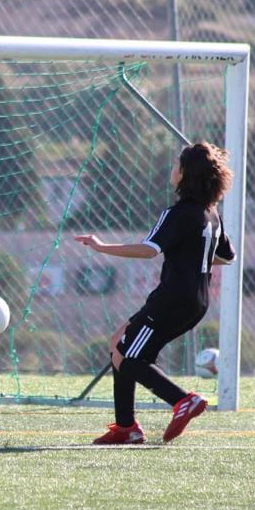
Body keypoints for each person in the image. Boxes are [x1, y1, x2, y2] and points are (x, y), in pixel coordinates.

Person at [74, 141, 235, 444]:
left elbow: (149, 250)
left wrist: (102, 247)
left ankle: (182, 400)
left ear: (184, 173)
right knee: (119, 343)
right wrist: (192, 255)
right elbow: (227, 256)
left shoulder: (178, 213)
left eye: (176, 165)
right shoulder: (211, 215)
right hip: (196, 301)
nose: (172, 169)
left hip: (172, 299)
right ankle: (126, 428)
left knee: (129, 358)